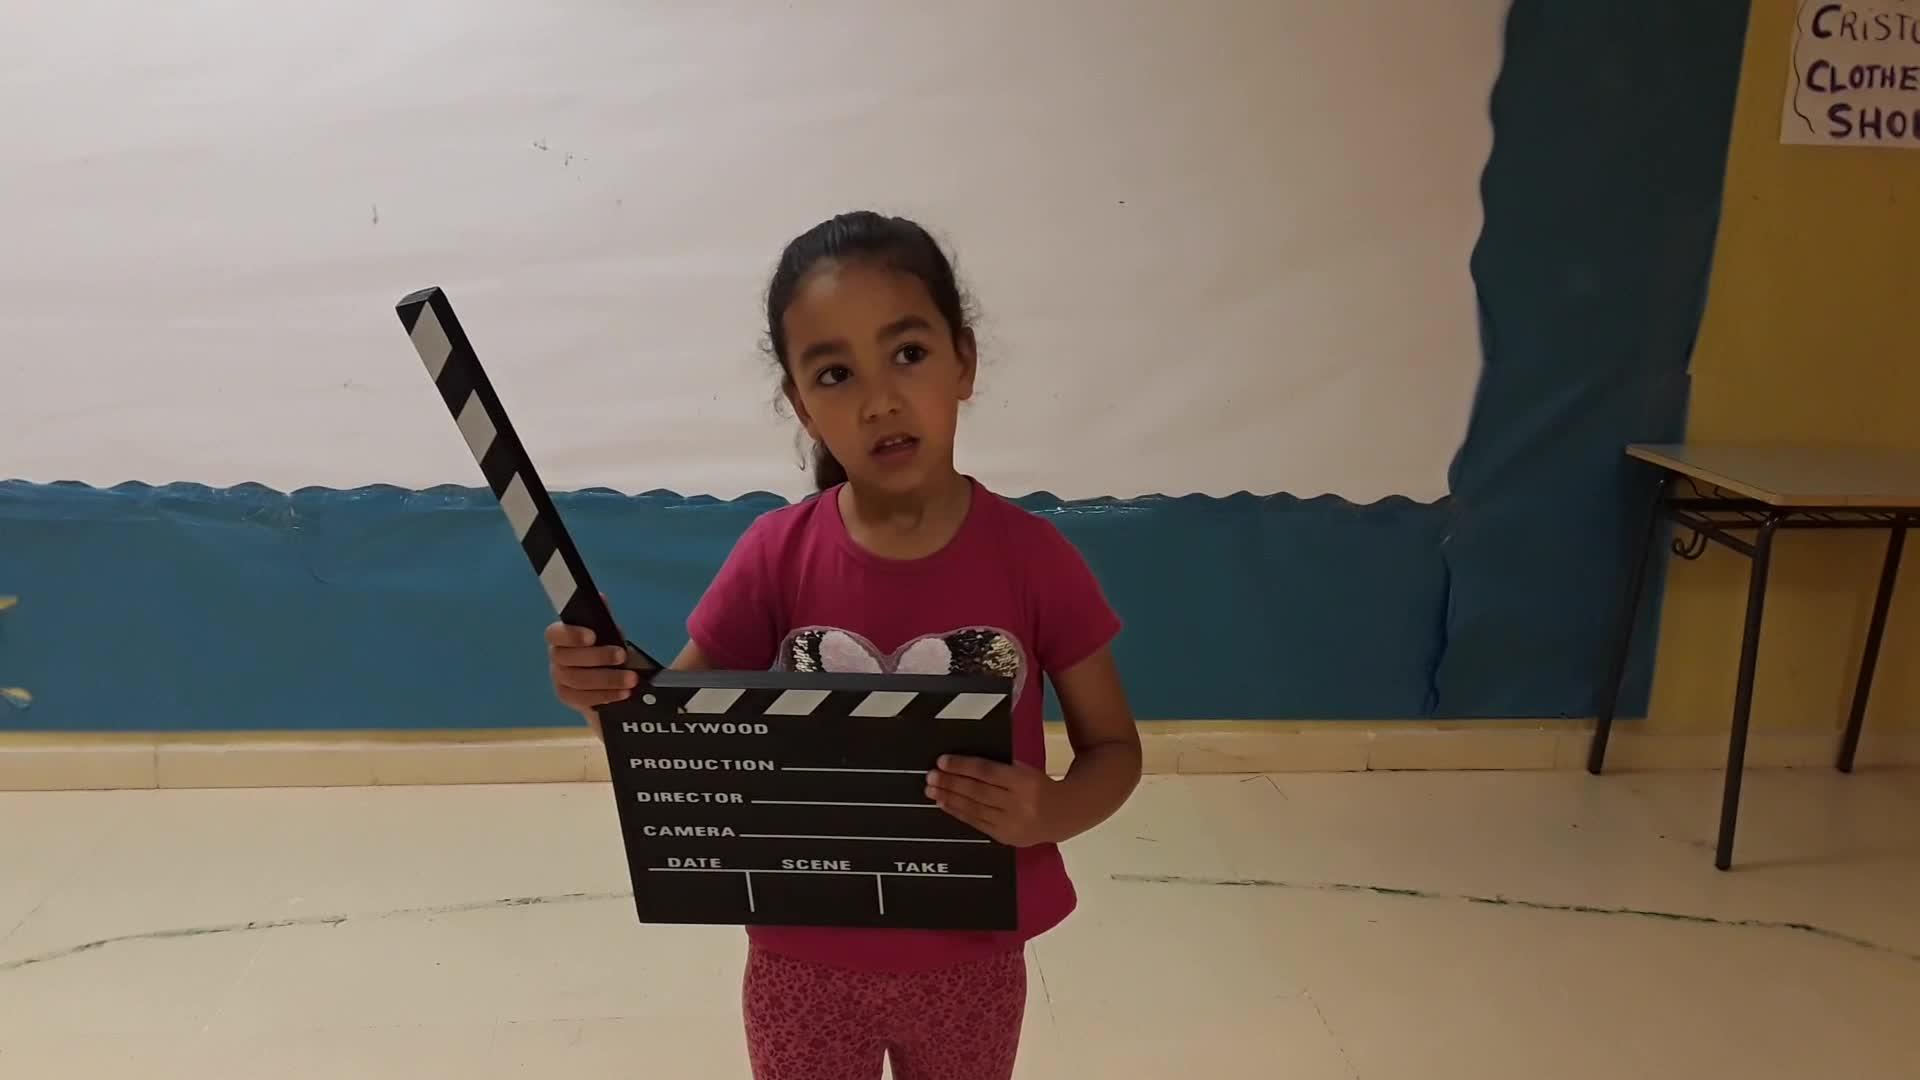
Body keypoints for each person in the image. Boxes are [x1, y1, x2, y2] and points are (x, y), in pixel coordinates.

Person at [544, 210, 1141, 1080]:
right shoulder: (774, 554)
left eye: (909, 353)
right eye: (834, 373)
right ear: (801, 404)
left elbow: (1114, 750)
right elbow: (665, 740)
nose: (879, 400)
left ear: (964, 361)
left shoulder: (1036, 560)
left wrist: (1052, 812)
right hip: (801, 960)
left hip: (972, 958)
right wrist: (600, 688)